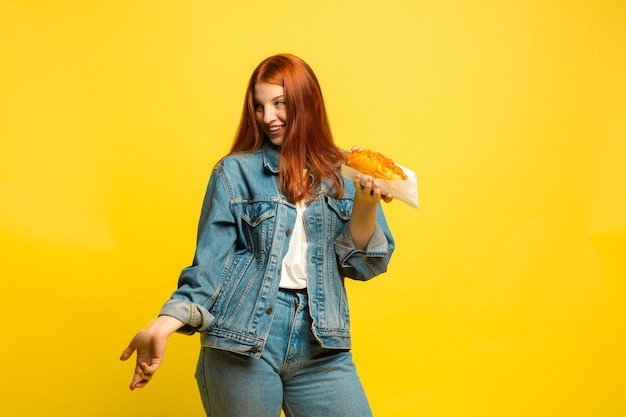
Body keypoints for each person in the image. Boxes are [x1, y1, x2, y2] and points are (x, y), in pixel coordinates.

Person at [120, 53, 396, 417]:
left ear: (308, 102)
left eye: (279, 103)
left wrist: (365, 202)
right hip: (241, 339)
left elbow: (363, 265)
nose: (268, 118)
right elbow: (209, 269)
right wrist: (163, 324)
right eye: (259, 106)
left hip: (321, 344)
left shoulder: (346, 171)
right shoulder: (234, 172)